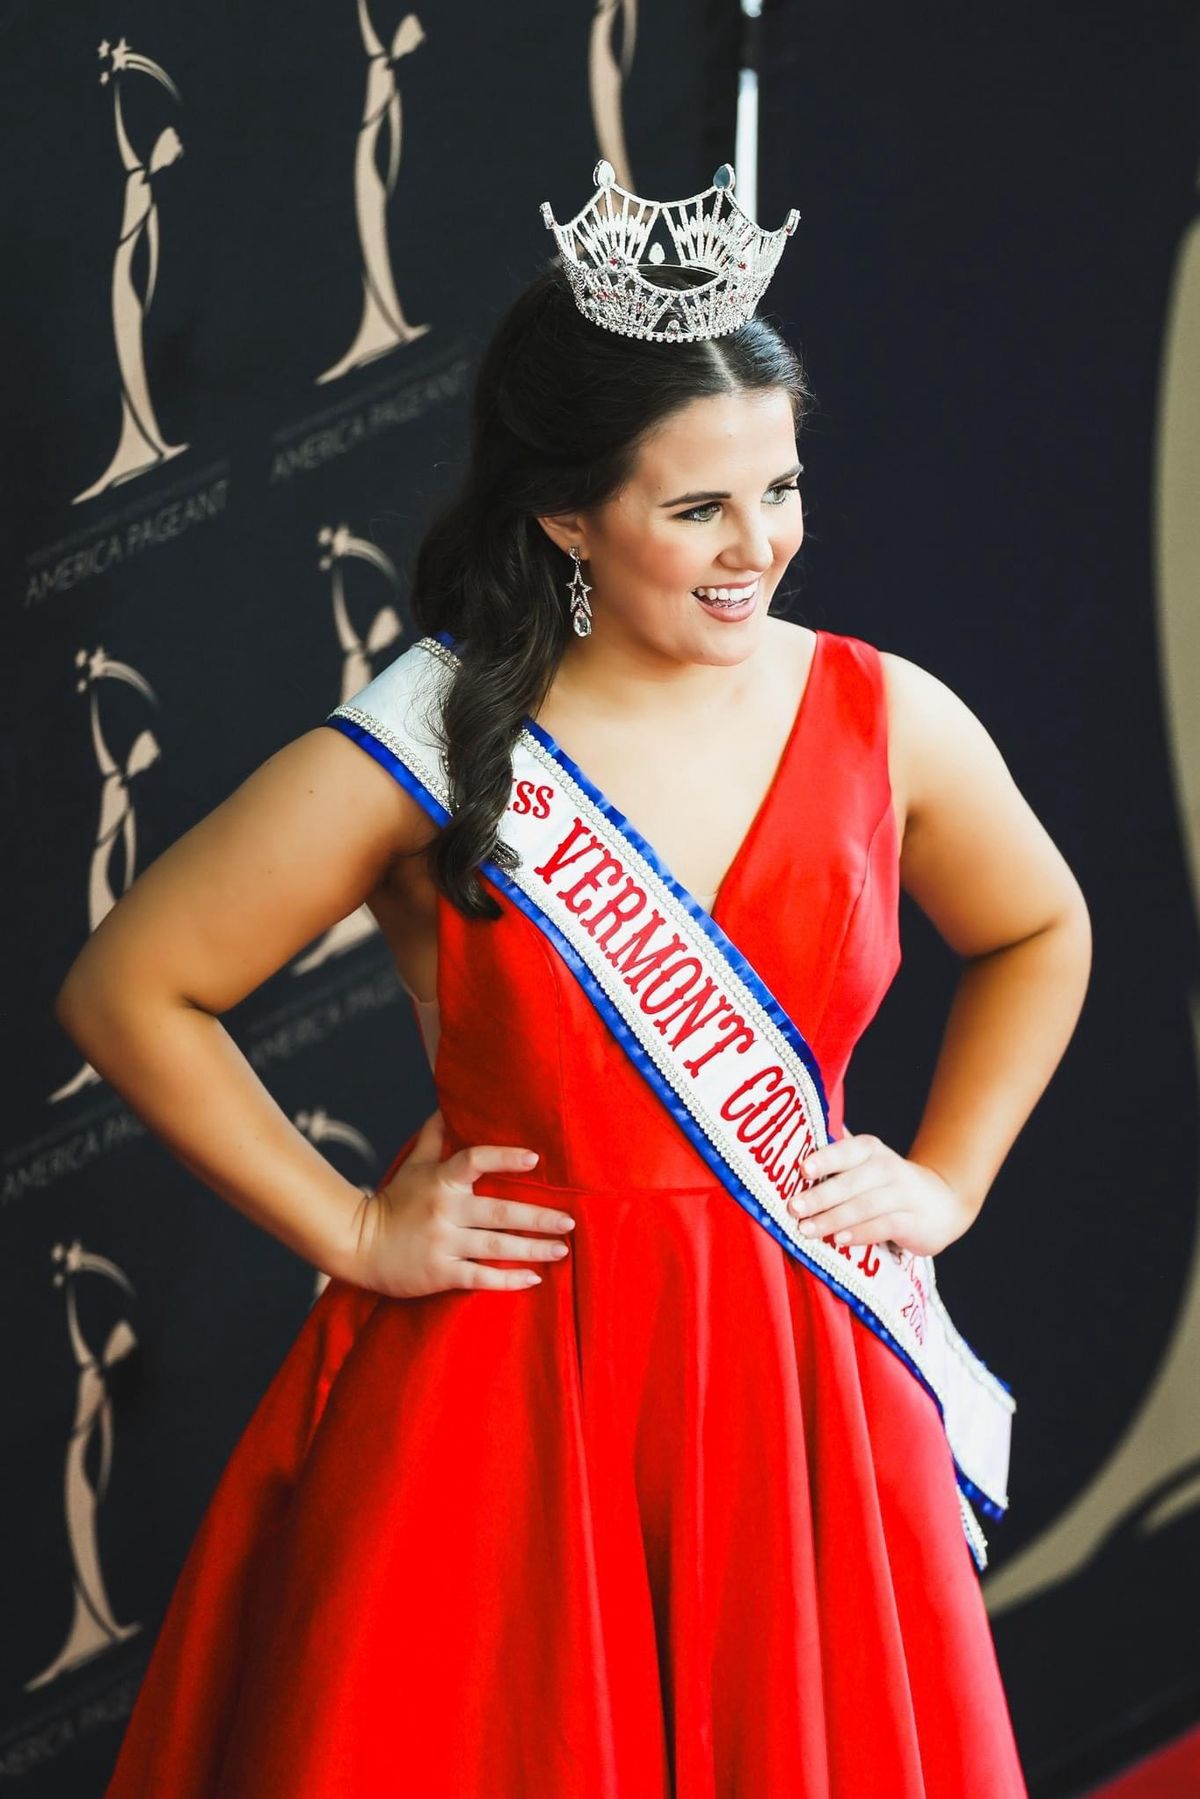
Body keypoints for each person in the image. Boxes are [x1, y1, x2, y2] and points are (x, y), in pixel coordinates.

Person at [59, 163, 1090, 1797]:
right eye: (698, 508)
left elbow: (1043, 932)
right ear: (565, 517)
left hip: (802, 1368)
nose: (761, 546)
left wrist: (950, 1180)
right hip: (510, 1380)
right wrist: (350, 1229)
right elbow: (132, 989)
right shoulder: (433, 736)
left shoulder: (886, 715)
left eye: (782, 486)